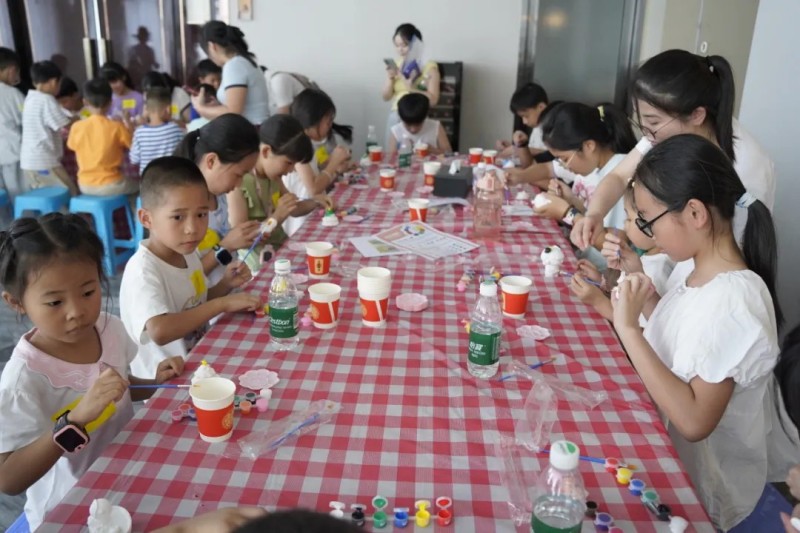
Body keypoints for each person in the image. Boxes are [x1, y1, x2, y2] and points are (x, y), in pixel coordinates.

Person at [610, 134, 797, 531]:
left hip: (704, 491)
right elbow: (686, 342)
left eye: (648, 219)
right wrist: (646, 296)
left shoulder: (735, 302)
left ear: (695, 213)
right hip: (670, 459)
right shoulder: (695, 270)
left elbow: (694, 421)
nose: (647, 233)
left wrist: (628, 329)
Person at [0, 214, 184, 530]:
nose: (77, 312)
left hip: (126, 473)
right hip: (70, 506)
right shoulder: (23, 380)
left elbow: (120, 386)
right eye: (55, 302)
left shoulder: (108, 328)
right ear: (16, 302)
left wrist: (154, 382)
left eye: (88, 292)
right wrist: (73, 422)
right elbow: (9, 479)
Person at [572, 49, 776, 253]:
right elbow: (619, 176)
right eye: (641, 123)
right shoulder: (664, 133)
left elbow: (736, 249)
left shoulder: (747, 165)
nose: (647, 135)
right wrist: (594, 215)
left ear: (697, 115)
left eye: (653, 122)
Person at [120, 156, 260, 377]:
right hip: (166, 382)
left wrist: (225, 284)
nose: (193, 228)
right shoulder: (142, 271)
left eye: (201, 214)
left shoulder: (187, 253)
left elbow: (197, 301)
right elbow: (160, 330)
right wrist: (222, 304)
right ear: (147, 219)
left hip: (199, 364)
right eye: (178, 217)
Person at [172, 114, 263, 276]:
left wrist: (244, 237)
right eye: (238, 175)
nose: (239, 184)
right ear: (211, 161)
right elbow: (183, 279)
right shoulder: (179, 210)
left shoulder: (219, 197)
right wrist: (226, 245)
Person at [570, 182, 673, 323]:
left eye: (629, 219)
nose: (624, 225)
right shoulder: (645, 257)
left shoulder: (658, 271)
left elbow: (641, 327)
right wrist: (600, 280)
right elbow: (626, 296)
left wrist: (599, 302)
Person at [228, 114, 319, 271]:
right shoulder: (239, 181)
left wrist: (316, 201)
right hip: (256, 264)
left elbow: (294, 208)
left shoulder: (273, 177)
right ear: (266, 151)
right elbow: (241, 237)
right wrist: (277, 217)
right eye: (288, 163)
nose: (291, 170)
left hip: (281, 250)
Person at [531, 102, 636, 237]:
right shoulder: (597, 167)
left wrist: (567, 213)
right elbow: (595, 218)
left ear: (588, 146)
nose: (563, 166)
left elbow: (616, 243)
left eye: (564, 159)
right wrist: (571, 200)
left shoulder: (621, 171)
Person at [277, 89, 349, 236]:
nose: (330, 126)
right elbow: (313, 189)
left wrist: (334, 165)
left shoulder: (306, 143)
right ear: (314, 120)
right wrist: (333, 164)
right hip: (301, 216)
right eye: (328, 122)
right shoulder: (298, 146)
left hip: (309, 209)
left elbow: (312, 172)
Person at [67, 78, 137, 197]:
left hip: (84, 185)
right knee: (140, 188)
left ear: (85, 102)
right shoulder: (116, 127)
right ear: (110, 102)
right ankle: (131, 209)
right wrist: (128, 122)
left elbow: (71, 146)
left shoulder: (76, 127)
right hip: (112, 183)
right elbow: (133, 145)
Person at [192, 21, 269, 125]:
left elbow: (233, 112)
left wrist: (200, 108)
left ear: (212, 46)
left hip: (250, 130)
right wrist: (216, 106)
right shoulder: (241, 61)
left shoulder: (234, 65)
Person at [20, 60, 77, 195]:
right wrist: (79, 119)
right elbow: (66, 125)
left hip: (29, 162)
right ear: (53, 82)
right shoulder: (46, 99)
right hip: (43, 160)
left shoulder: (30, 98)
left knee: (47, 196)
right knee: (69, 193)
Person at [381, 23, 440, 145]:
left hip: (416, 118)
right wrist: (390, 78)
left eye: (404, 45)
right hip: (396, 114)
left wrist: (411, 89)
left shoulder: (429, 67)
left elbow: (433, 100)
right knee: (391, 154)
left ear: (416, 44)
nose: (400, 49)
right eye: (397, 45)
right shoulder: (397, 64)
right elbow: (385, 97)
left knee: (418, 152)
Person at [130, 87, 185, 172]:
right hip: (171, 176)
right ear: (168, 109)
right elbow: (184, 152)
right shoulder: (175, 129)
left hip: (148, 178)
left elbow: (134, 159)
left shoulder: (139, 133)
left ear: (147, 110)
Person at [496, 82, 549, 160]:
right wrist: (515, 147)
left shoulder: (555, 128)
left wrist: (517, 150)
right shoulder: (537, 127)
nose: (524, 122)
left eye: (526, 116)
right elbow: (533, 153)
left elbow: (553, 155)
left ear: (541, 107)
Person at [388, 93, 451, 157]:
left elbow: (449, 153)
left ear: (425, 117)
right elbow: (391, 157)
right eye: (408, 125)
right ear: (401, 119)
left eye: (418, 124)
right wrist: (404, 148)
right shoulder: (396, 130)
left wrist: (432, 150)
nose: (413, 129)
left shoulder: (435, 126)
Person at [0, 47, 25, 200]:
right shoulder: (12, 94)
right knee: (20, 197)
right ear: (11, 69)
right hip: (14, 154)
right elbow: (27, 119)